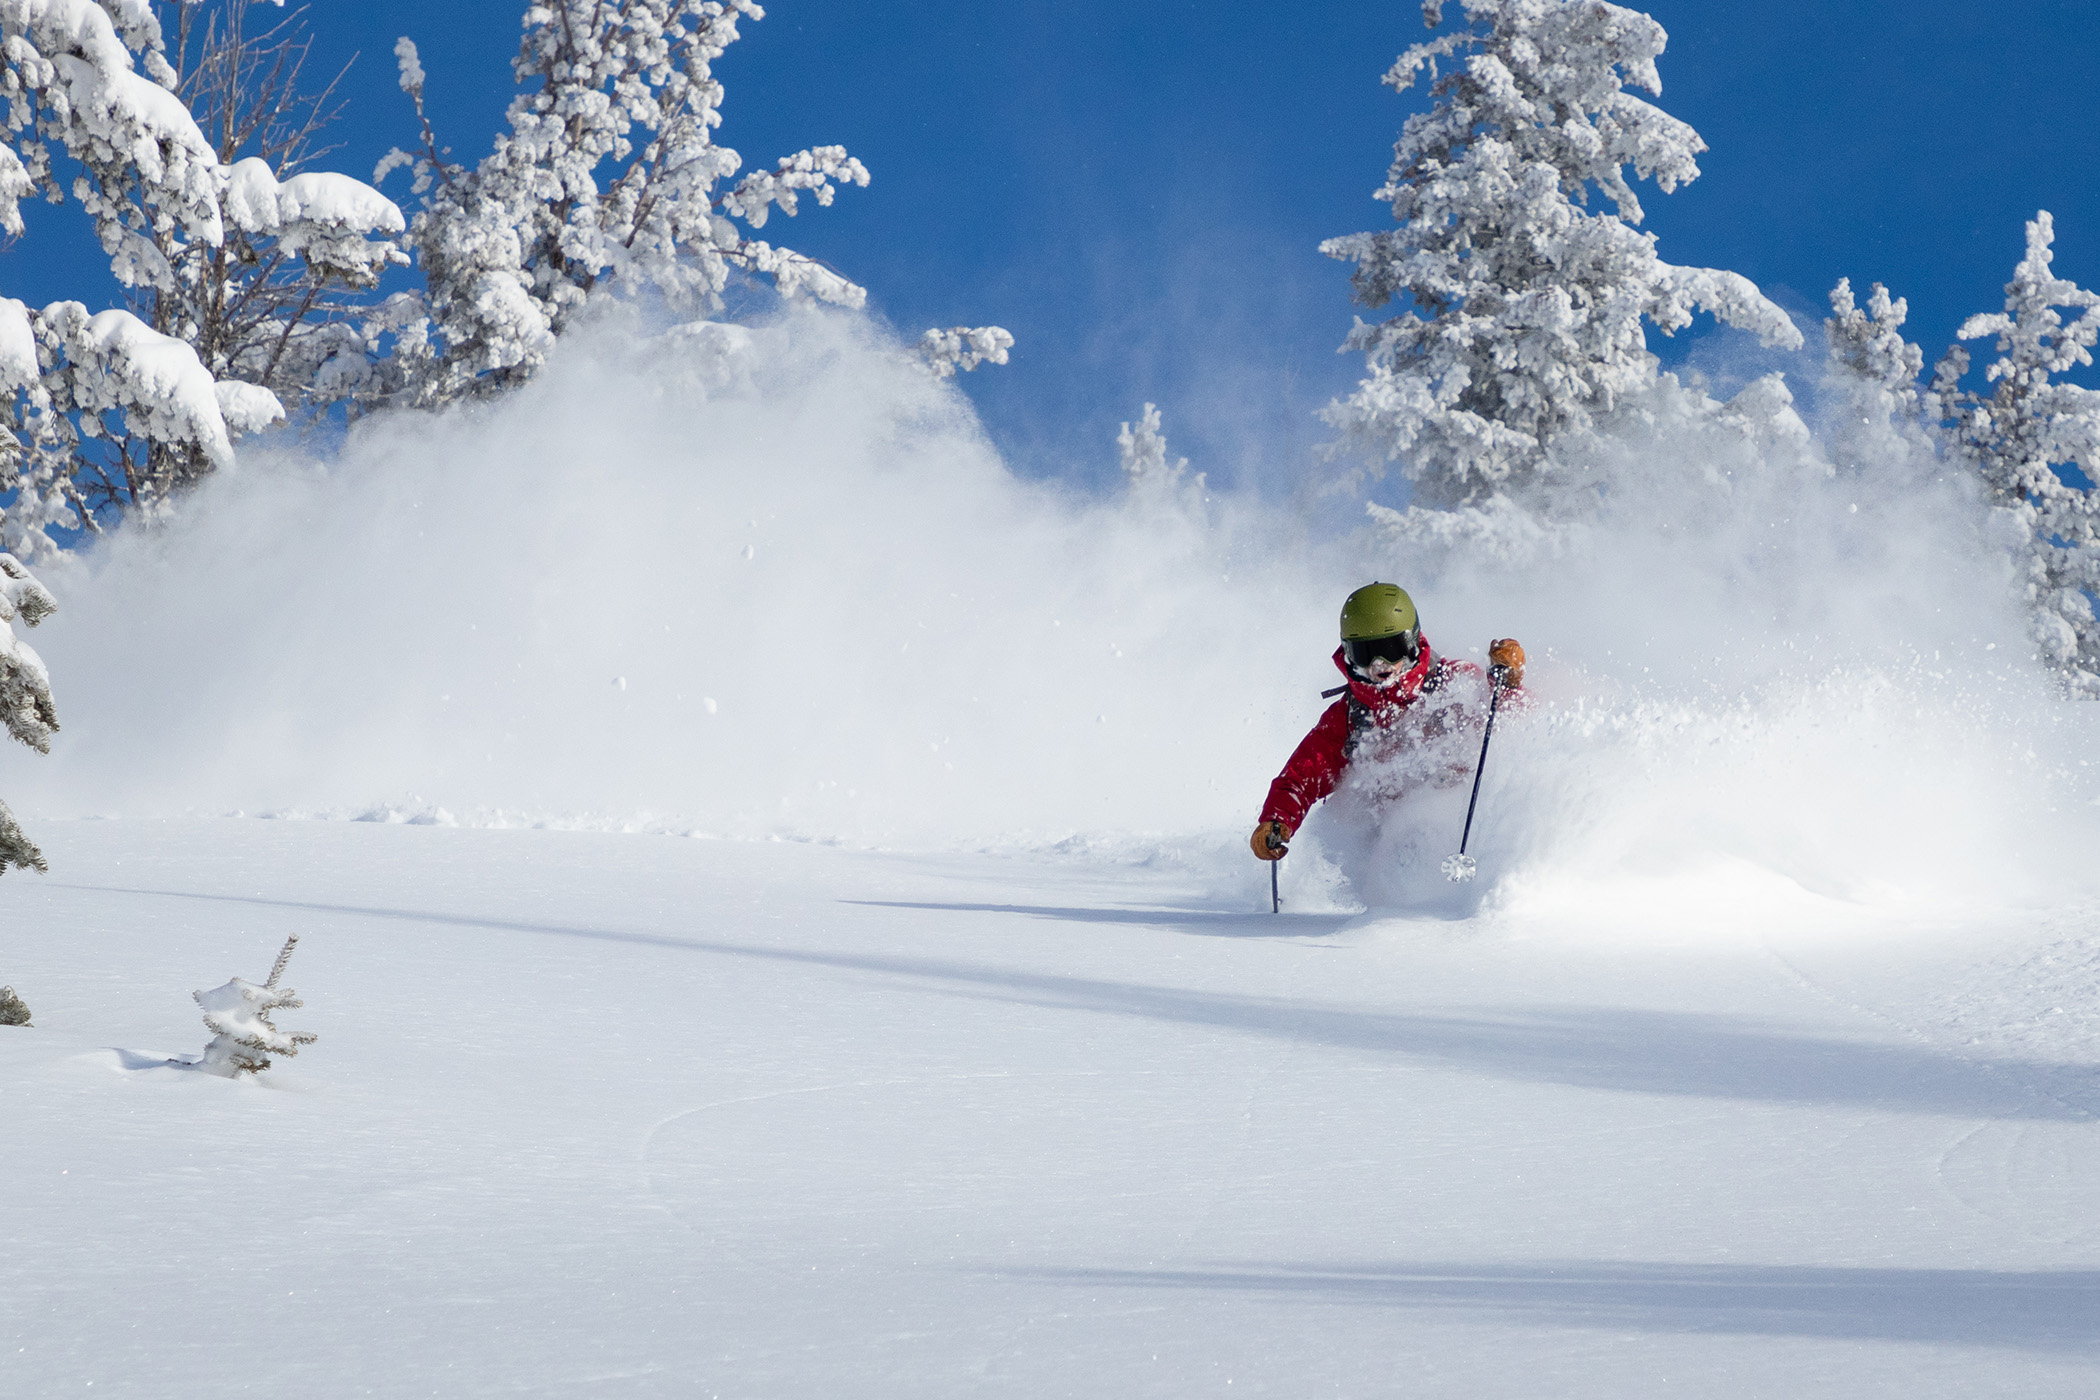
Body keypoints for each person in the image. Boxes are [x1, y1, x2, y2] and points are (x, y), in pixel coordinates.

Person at [1252, 583, 1524, 861]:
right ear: (1347, 654)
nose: (1379, 665)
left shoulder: (1452, 682)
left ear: (1411, 642)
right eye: (1364, 654)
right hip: (1385, 846)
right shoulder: (1349, 717)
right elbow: (1301, 776)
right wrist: (1277, 818)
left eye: (1390, 649)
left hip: (1459, 826)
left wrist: (1506, 683)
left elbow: (1510, 720)